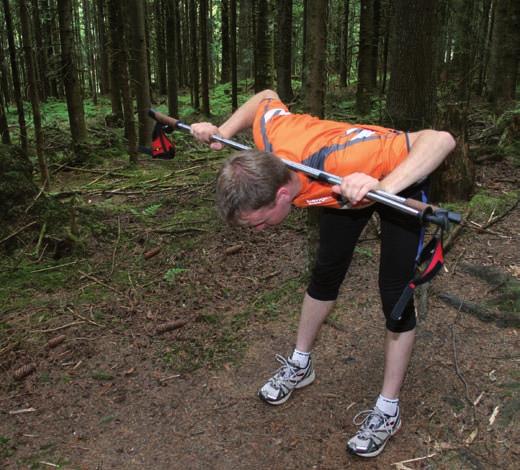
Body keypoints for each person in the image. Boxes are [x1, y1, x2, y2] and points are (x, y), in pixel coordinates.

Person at [191, 89, 455, 458]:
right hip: (339, 188)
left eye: (260, 223)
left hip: (394, 179)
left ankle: (388, 409)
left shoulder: (351, 157)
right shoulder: (271, 138)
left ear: (282, 196)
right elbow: (265, 97)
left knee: (394, 292)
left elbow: (440, 139)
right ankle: (300, 364)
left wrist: (383, 187)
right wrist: (222, 129)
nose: (260, 232)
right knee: (325, 273)